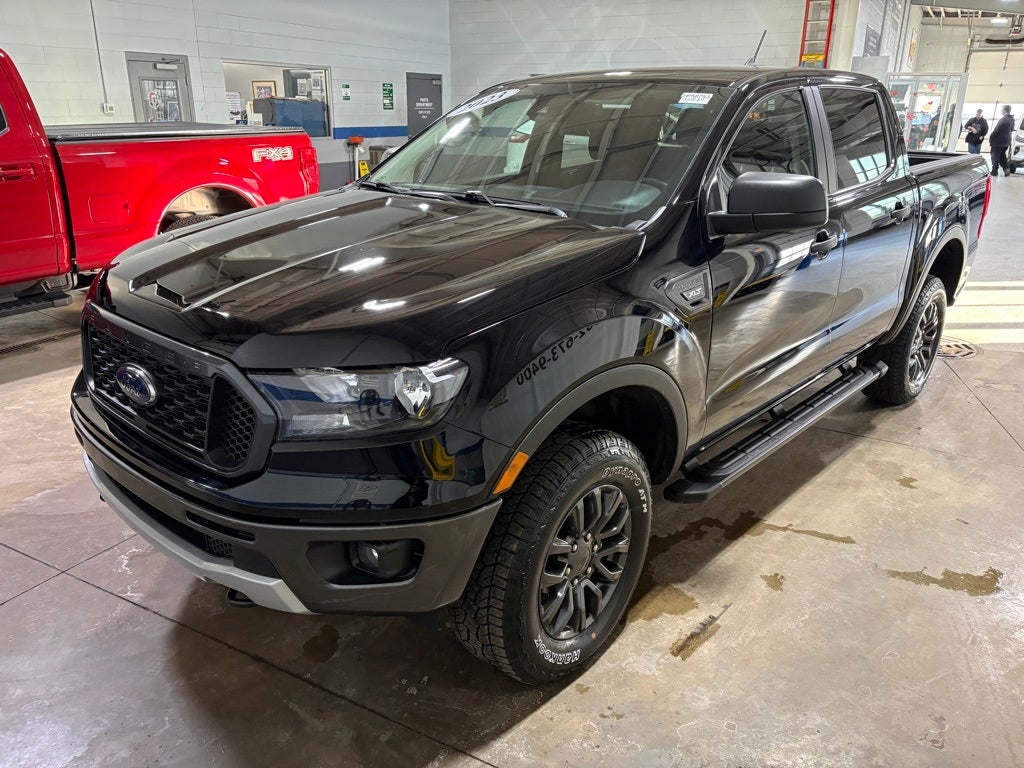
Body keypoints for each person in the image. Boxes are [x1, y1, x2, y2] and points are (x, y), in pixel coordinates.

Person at [988, 104, 1015, 177]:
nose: (1001, 111)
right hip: (1006, 142)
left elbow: (996, 130)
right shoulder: (1011, 119)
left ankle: (994, 171)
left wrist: (991, 138)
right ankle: (1006, 169)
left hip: (998, 142)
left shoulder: (1003, 119)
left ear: (1005, 110)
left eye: (1002, 109)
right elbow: (1012, 130)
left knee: (995, 156)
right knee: (1002, 155)